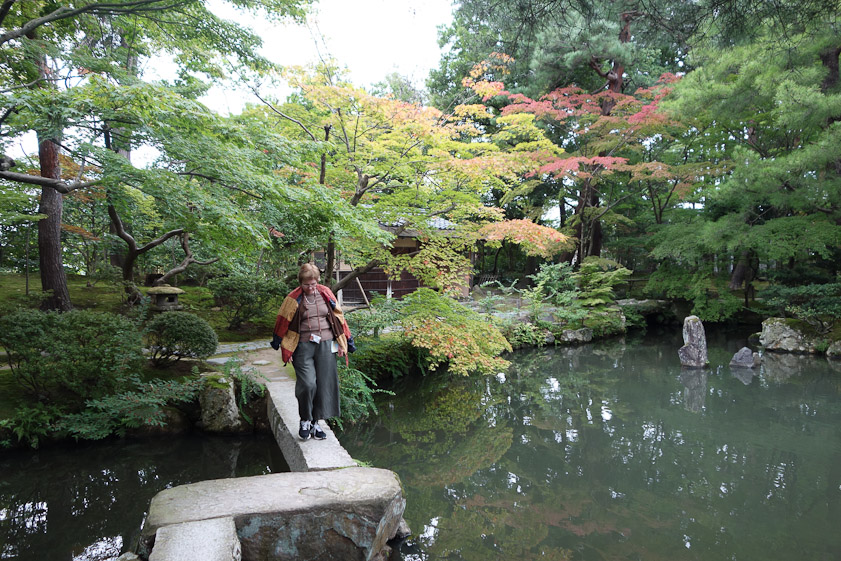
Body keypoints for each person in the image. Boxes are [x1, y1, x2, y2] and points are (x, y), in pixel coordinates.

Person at [270, 264, 354, 440]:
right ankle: (304, 419)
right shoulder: (293, 299)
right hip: (302, 346)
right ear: (301, 282)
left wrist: (343, 342)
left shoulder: (325, 293)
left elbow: (339, 318)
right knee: (308, 384)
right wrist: (284, 346)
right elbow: (283, 322)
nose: (311, 287)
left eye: (313, 284)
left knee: (324, 384)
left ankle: (316, 423)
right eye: (307, 284)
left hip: (326, 344)